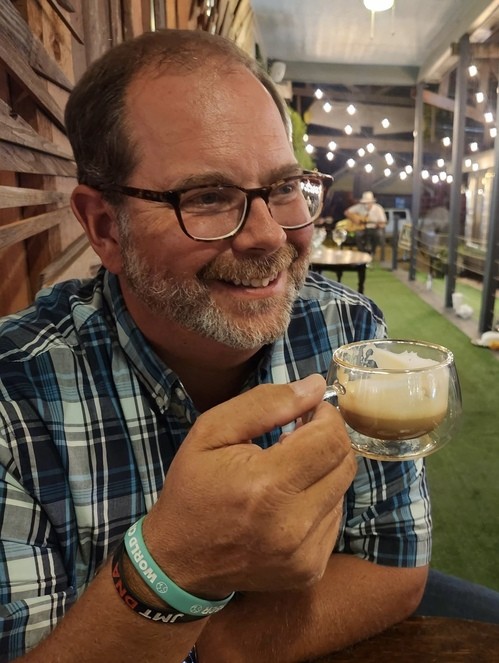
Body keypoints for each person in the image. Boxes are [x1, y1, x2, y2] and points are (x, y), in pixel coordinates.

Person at [0, 29, 433, 663]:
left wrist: (209, 646)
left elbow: (395, 568)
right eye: (207, 197)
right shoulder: (14, 400)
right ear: (104, 227)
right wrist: (174, 570)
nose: (268, 236)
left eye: (284, 188)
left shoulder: (347, 329)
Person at [345, 191, 387, 255]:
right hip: (362, 228)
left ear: (372, 202)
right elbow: (346, 212)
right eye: (365, 203)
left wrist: (379, 225)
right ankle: (362, 252)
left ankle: (372, 251)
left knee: (378, 234)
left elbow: (383, 222)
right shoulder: (359, 207)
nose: (366, 205)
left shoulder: (378, 209)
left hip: (374, 228)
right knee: (358, 235)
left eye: (368, 203)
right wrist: (355, 219)